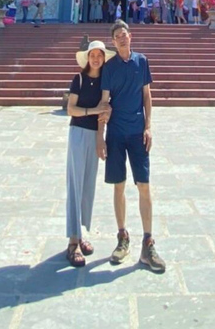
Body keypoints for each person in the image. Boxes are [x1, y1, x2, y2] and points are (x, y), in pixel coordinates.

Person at [98, 20, 166, 273]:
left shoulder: (142, 61)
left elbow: (147, 95)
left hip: (138, 133)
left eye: (124, 34)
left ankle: (148, 242)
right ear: (113, 42)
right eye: (117, 36)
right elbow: (105, 102)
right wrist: (100, 136)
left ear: (130, 36)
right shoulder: (109, 67)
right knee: (118, 185)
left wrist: (148, 126)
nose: (122, 39)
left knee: (144, 185)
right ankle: (122, 237)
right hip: (116, 133)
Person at [65, 41, 116, 267]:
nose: (96, 59)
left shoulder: (106, 82)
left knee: (88, 186)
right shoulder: (79, 79)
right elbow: (71, 109)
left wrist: (100, 138)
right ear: (87, 58)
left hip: (93, 134)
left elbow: (106, 110)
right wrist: (94, 110)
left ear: (104, 58)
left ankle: (82, 231)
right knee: (75, 185)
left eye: (100, 55)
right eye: (92, 55)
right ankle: (72, 241)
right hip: (77, 133)